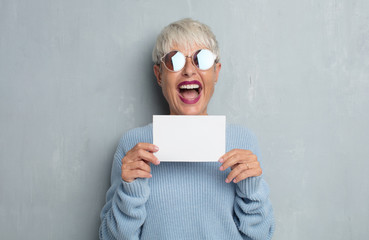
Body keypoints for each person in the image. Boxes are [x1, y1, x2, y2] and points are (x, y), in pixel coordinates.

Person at [99, 18, 275, 240]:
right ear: (159, 75)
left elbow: (261, 236)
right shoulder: (133, 146)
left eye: (202, 59)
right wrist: (129, 191)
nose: (189, 71)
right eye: (175, 61)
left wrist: (252, 189)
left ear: (216, 72)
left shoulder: (243, 142)